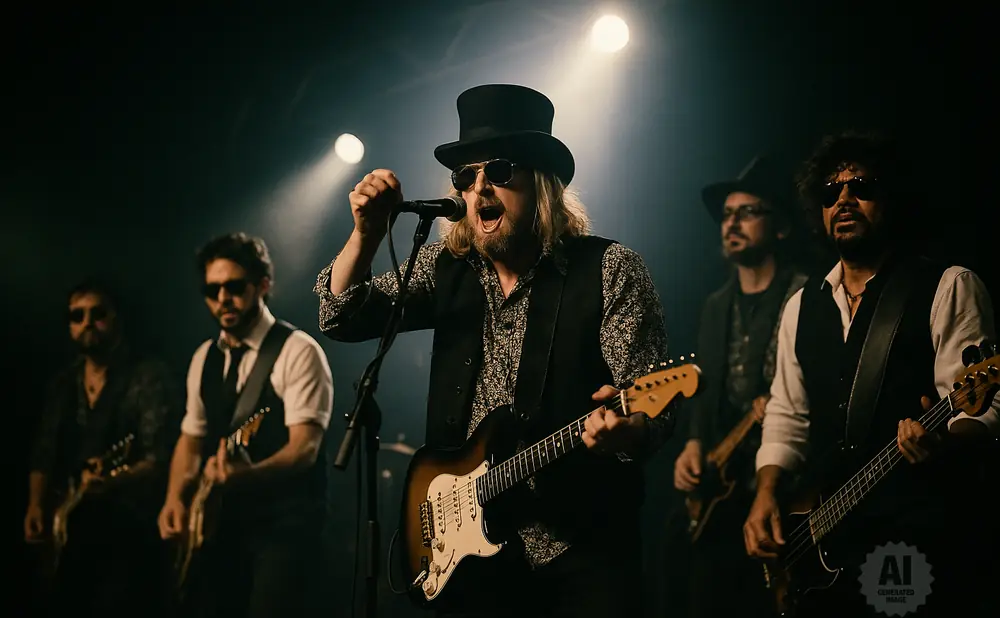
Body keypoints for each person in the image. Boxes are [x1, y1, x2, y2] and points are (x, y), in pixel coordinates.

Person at [314, 84, 672, 618]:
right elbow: (339, 315)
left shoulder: (610, 269)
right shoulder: (445, 268)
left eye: (499, 171)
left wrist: (629, 428)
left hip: (581, 548)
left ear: (541, 185)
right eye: (466, 177)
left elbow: (651, 406)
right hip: (472, 554)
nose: (479, 189)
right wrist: (365, 235)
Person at [744, 130, 999, 617]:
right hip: (823, 544)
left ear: (893, 198)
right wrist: (766, 494)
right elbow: (787, 415)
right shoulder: (802, 305)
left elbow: (986, 408)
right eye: (830, 191)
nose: (843, 199)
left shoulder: (947, 286)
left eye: (862, 186)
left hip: (916, 537)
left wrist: (945, 443)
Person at [158, 233, 334, 618]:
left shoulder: (298, 351)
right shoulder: (204, 357)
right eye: (212, 289)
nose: (222, 299)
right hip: (224, 527)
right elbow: (191, 438)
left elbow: (304, 450)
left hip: (285, 528)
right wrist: (174, 497)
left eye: (234, 287)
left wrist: (246, 476)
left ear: (263, 286)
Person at [673, 154, 809, 617]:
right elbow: (703, 391)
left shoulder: (807, 296)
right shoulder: (715, 305)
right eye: (727, 214)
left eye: (747, 212)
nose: (731, 222)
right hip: (721, 491)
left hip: (787, 491)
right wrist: (693, 443)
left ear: (781, 227)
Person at [24, 278, 181, 617]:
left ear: (116, 318)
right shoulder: (64, 383)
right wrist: (37, 505)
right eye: (77, 316)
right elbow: (44, 448)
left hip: (130, 527)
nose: (87, 324)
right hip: (71, 525)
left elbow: (160, 457)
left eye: (97, 314)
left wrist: (114, 481)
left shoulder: (148, 377)